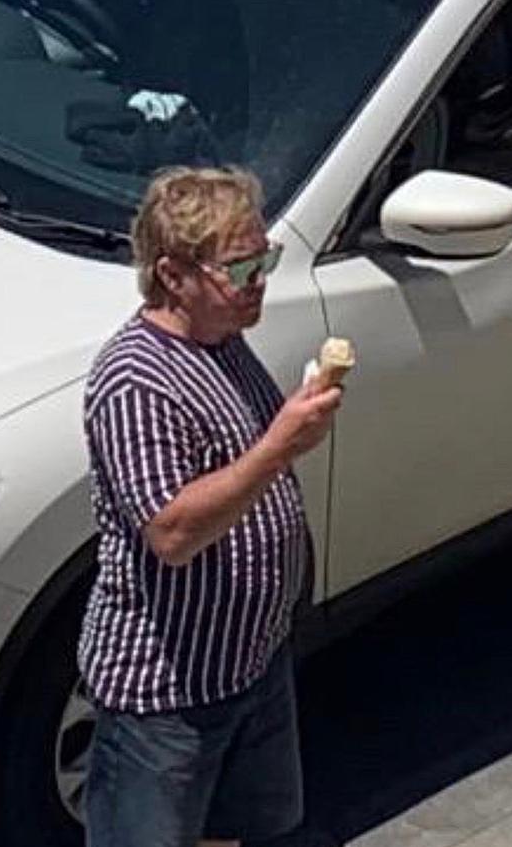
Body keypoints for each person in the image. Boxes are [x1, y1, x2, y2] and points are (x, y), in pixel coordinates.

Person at [78, 165, 342, 847]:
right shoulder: (135, 381)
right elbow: (171, 531)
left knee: (233, 832)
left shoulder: (222, 342)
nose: (259, 281)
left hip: (250, 663)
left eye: (265, 260)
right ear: (173, 275)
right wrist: (279, 447)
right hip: (167, 695)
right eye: (241, 267)